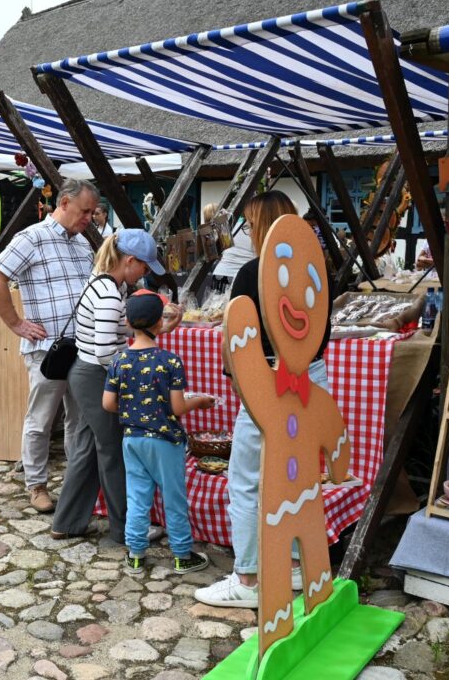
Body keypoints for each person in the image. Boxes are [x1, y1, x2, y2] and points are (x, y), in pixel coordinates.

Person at [195, 190, 332, 608]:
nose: (248, 233)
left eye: (251, 225)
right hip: (311, 375)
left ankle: (249, 579)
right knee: (298, 475)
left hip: (270, 377)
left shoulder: (254, 272)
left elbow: (237, 341)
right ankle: (294, 565)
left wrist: (240, 384)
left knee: (247, 480)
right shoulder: (316, 269)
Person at [0, 178, 100, 512]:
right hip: (47, 349)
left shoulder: (82, 244)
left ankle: (76, 485)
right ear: (64, 203)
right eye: (84, 211)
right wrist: (15, 323)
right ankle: (36, 485)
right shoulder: (31, 237)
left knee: (79, 420)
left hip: (84, 346)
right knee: (41, 419)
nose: (89, 218)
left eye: (92, 212)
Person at [51, 229, 174, 544]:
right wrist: (130, 380)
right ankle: (126, 529)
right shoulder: (109, 292)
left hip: (86, 373)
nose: (143, 274)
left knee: (88, 450)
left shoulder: (103, 282)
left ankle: (67, 521)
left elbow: (118, 328)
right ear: (129, 261)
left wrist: (156, 328)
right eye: (143, 267)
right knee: (114, 453)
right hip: (96, 376)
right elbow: (107, 351)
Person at [105, 290, 215, 574]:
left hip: (132, 439)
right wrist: (200, 401)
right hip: (165, 441)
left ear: (128, 323)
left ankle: (135, 554)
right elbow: (178, 407)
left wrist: (133, 410)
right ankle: (181, 554)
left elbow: (108, 403)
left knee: (137, 497)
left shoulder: (119, 360)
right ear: (159, 323)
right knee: (174, 498)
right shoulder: (170, 361)